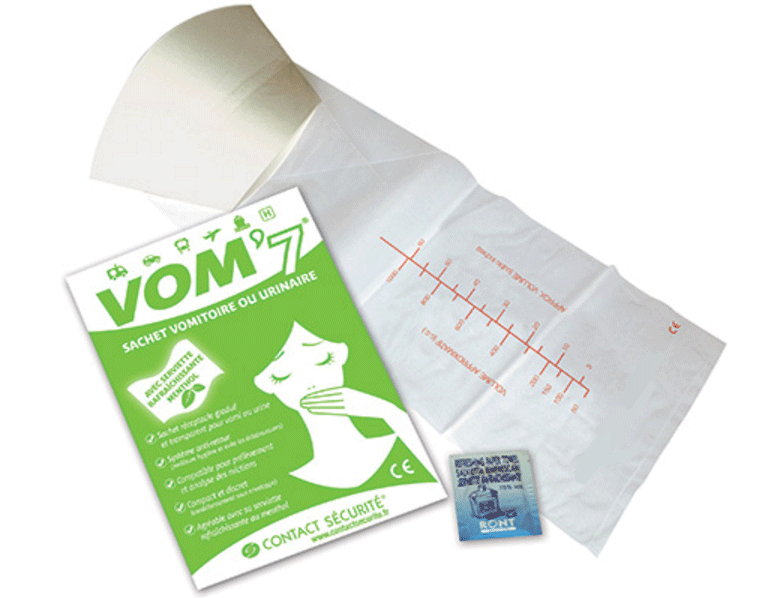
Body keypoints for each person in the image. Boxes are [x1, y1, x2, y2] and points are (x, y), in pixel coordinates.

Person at [255, 322, 427, 488]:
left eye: (323, 359)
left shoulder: (404, 437)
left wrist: (387, 412)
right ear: (265, 384)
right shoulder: (284, 480)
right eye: (282, 375)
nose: (310, 381)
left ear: (341, 354)